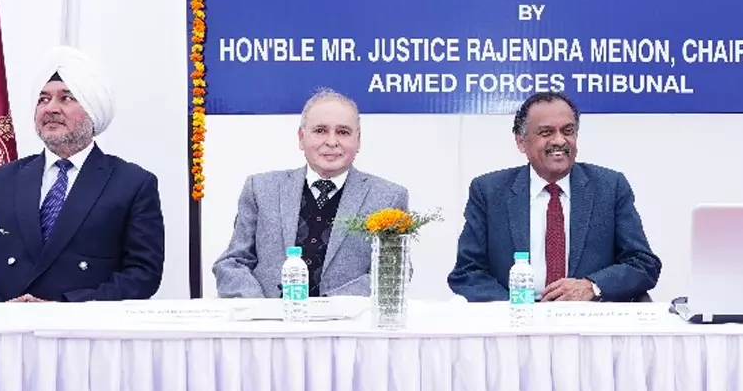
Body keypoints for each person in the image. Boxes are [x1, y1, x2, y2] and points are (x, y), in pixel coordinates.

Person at [0, 46, 164, 302]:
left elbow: (142, 274)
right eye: (43, 99)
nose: (50, 108)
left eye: (66, 98)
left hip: (83, 325)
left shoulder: (132, 184)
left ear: (93, 111)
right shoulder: (1, 181)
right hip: (5, 323)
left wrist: (65, 308)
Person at [448, 92, 661, 302]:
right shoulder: (489, 191)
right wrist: (517, 307)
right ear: (521, 142)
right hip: (515, 316)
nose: (559, 140)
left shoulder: (610, 187)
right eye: (546, 132)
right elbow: (467, 272)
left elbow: (643, 264)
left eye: (568, 131)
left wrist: (592, 286)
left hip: (589, 316)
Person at [213, 89, 408, 298]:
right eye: (320, 130)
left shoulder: (389, 198)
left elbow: (394, 271)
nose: (332, 141)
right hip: (269, 316)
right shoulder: (260, 189)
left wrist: (331, 307)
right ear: (301, 137)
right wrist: (260, 307)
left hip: (346, 317)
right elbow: (233, 262)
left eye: (343, 132)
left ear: (358, 140)